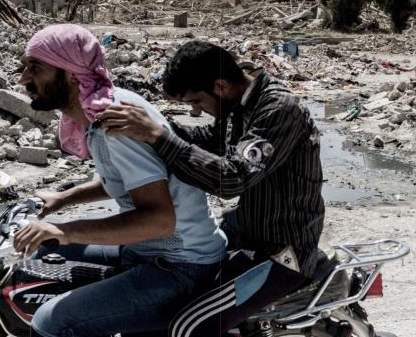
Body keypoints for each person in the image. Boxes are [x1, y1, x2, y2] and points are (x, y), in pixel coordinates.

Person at [98, 40, 324, 337]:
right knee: (159, 299)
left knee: (188, 327)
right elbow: (211, 139)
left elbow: (233, 178)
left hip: (281, 253)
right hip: (245, 234)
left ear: (219, 86)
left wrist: (158, 137)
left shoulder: (278, 109)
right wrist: (159, 126)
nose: (196, 111)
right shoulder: (239, 104)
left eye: (196, 102)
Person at [13, 25, 226, 337]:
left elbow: (159, 221)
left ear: (71, 74)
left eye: (36, 67)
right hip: (150, 250)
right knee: (44, 254)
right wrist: (65, 198)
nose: (24, 78)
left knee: (51, 322)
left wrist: (63, 230)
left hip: (181, 263)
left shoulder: (115, 120)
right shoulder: (96, 114)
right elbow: (127, 182)